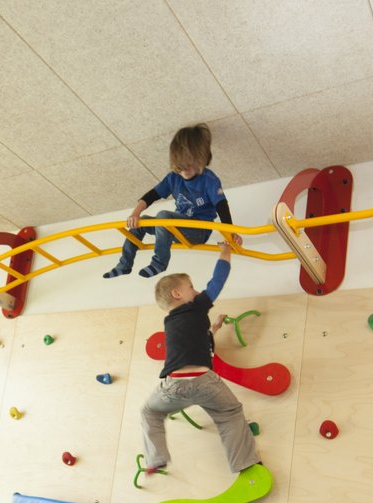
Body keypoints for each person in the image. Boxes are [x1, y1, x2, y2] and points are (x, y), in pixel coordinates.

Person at [140, 241, 260, 476]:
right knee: (230, 414)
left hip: (174, 386)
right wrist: (226, 250)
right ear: (177, 294)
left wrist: (214, 328)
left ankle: (156, 459)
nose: (196, 292)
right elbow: (217, 281)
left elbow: (198, 343)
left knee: (150, 412)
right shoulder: (195, 307)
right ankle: (244, 463)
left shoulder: (172, 323)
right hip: (205, 382)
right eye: (191, 288)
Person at [104, 123, 238, 279]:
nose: (183, 171)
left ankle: (159, 263)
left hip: (198, 231)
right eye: (179, 168)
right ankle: (124, 265)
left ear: (200, 160)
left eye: (188, 166)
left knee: (163, 216)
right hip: (173, 227)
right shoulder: (173, 177)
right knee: (140, 223)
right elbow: (151, 195)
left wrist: (230, 233)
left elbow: (222, 206)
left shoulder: (209, 179)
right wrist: (135, 214)